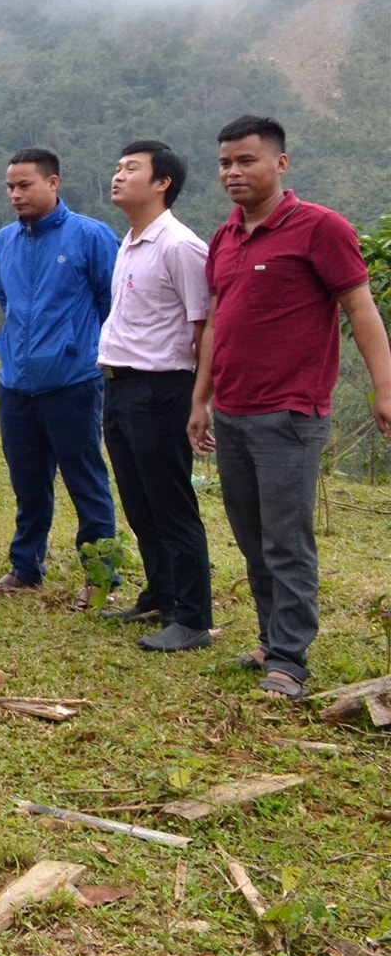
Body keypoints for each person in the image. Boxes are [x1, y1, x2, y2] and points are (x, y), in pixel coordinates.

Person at [188, 115, 391, 700]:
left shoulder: (319, 228)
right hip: (232, 410)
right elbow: (217, 324)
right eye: (226, 162)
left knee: (286, 538)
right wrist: (202, 399)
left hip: (290, 412)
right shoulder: (225, 237)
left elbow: (359, 306)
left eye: (247, 160)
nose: (233, 172)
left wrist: (384, 388)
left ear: (280, 164)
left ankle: (290, 658)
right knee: (252, 536)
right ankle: (268, 637)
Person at [0, 147, 118, 605]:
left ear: (53, 183)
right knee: (28, 481)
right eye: (10, 187)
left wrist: (81, 348)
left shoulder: (91, 236)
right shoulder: (4, 241)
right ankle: (26, 567)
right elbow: (7, 299)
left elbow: (111, 302)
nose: (15, 195)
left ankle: (100, 576)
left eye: (25, 185)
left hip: (73, 382)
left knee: (85, 480)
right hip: (16, 382)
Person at [96, 141, 214, 652]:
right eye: (118, 167)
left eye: (131, 169)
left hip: (161, 388)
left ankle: (193, 618)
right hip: (120, 386)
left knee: (171, 503)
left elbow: (203, 327)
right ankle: (161, 594)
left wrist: (198, 399)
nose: (118, 176)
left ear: (162, 182)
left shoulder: (180, 245)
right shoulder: (131, 240)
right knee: (140, 502)